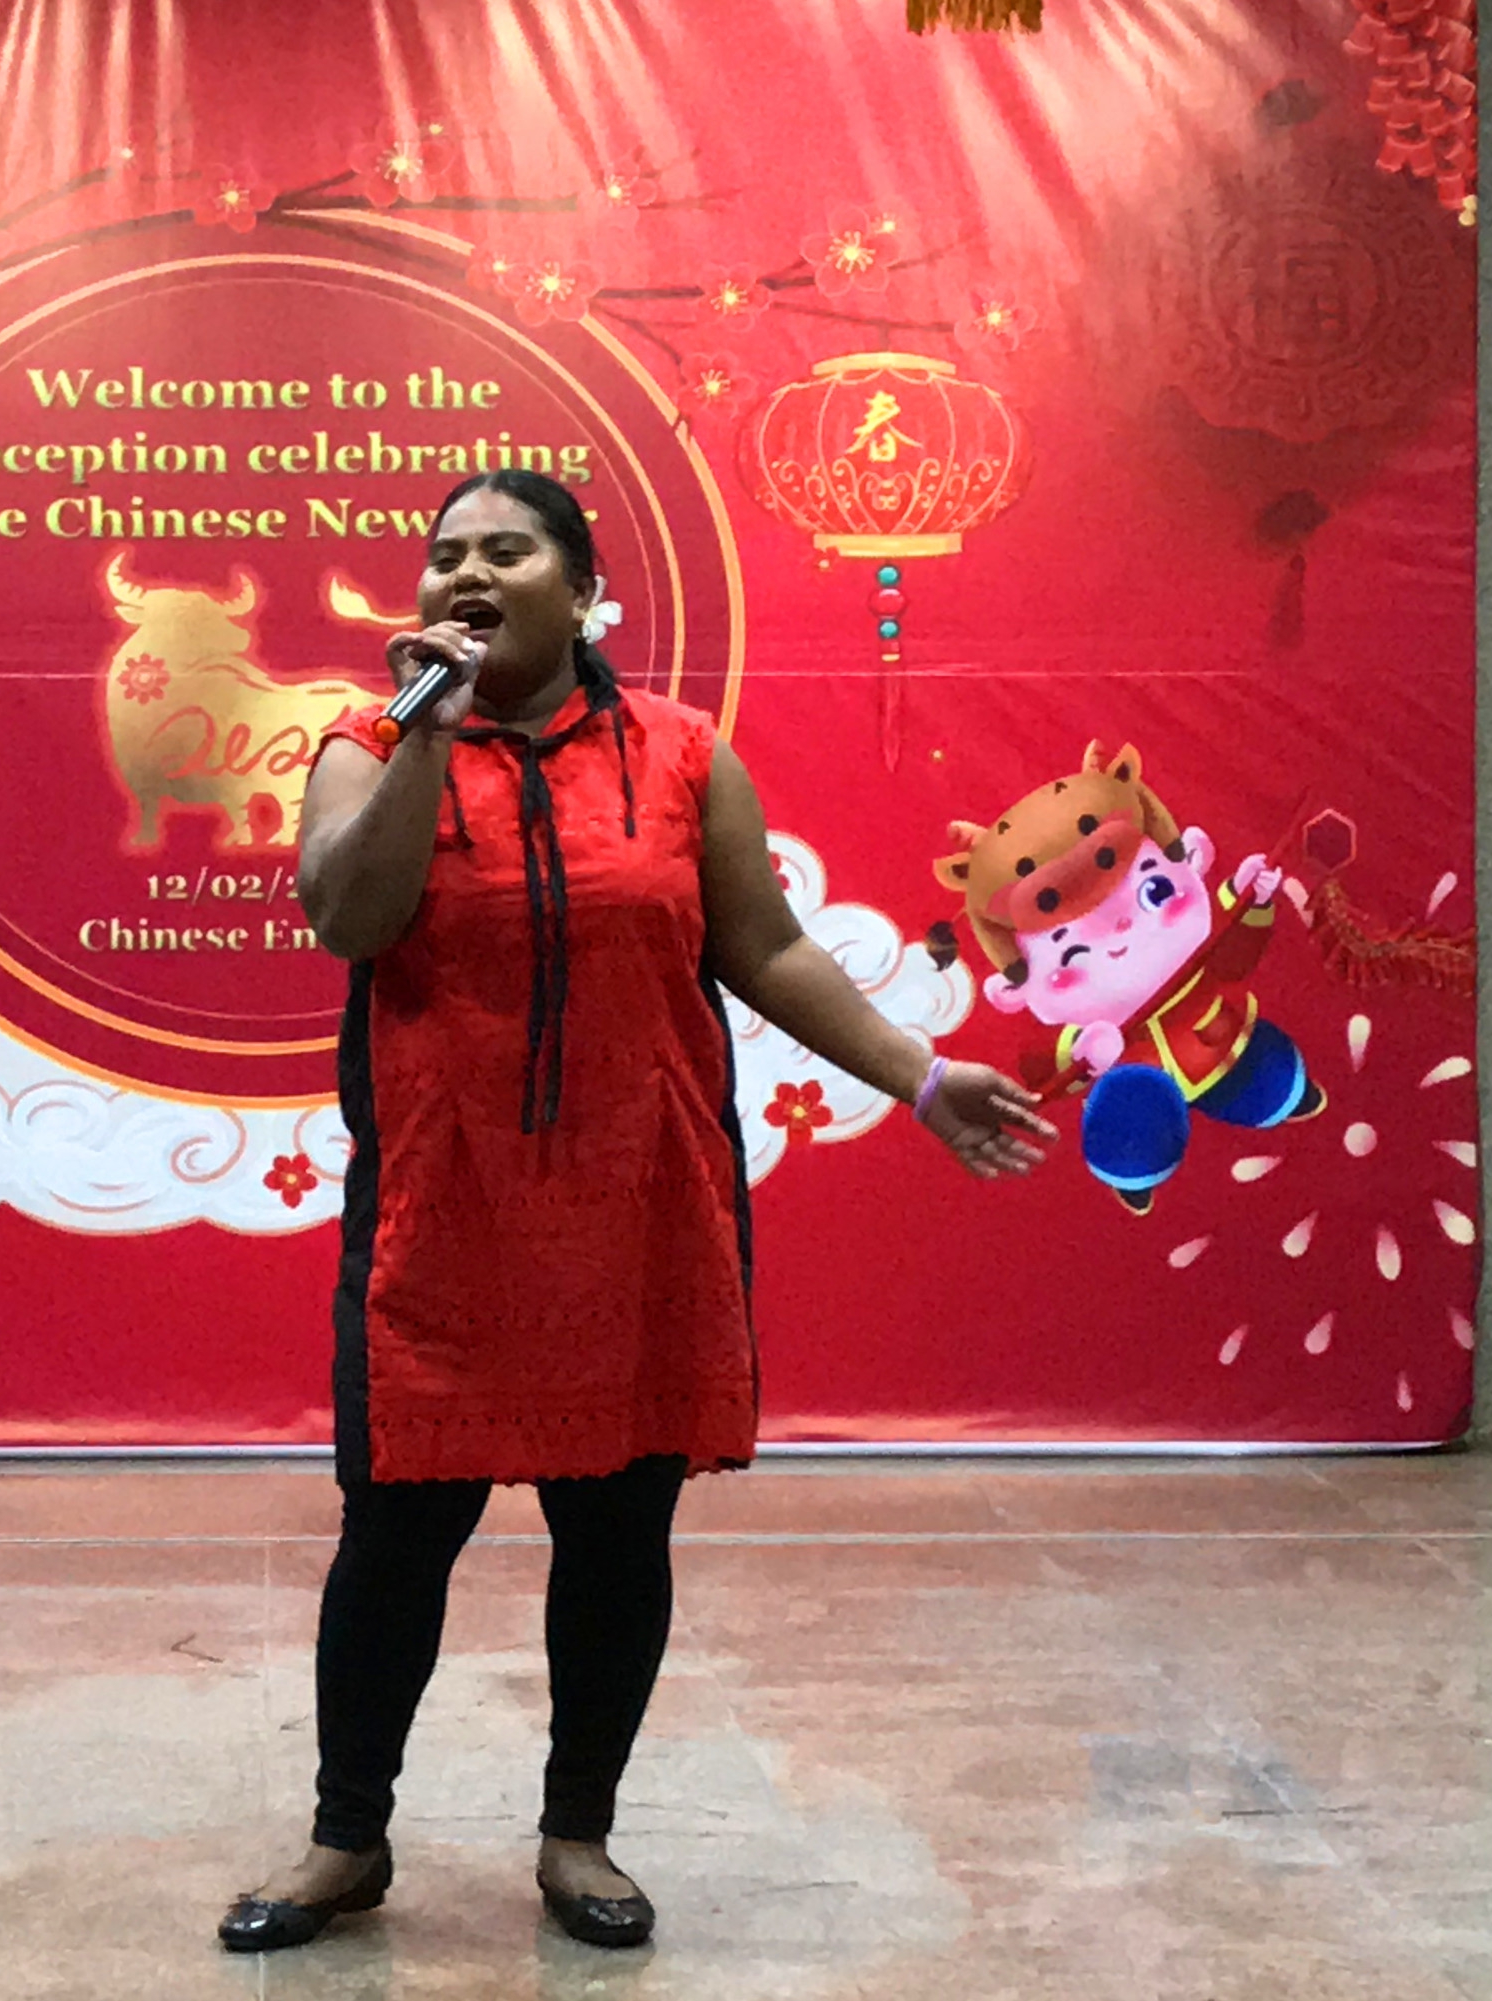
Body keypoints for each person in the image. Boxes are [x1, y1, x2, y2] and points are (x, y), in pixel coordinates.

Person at [217, 472, 1054, 1955]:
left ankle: (578, 1835)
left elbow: (767, 949)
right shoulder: (367, 741)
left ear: (585, 591)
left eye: (508, 551)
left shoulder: (678, 754)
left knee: (616, 1540)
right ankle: (348, 1838)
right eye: (446, 556)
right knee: (393, 1542)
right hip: (441, 1212)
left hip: (640, 1207)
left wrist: (922, 1077)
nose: (468, 574)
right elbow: (350, 912)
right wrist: (427, 727)